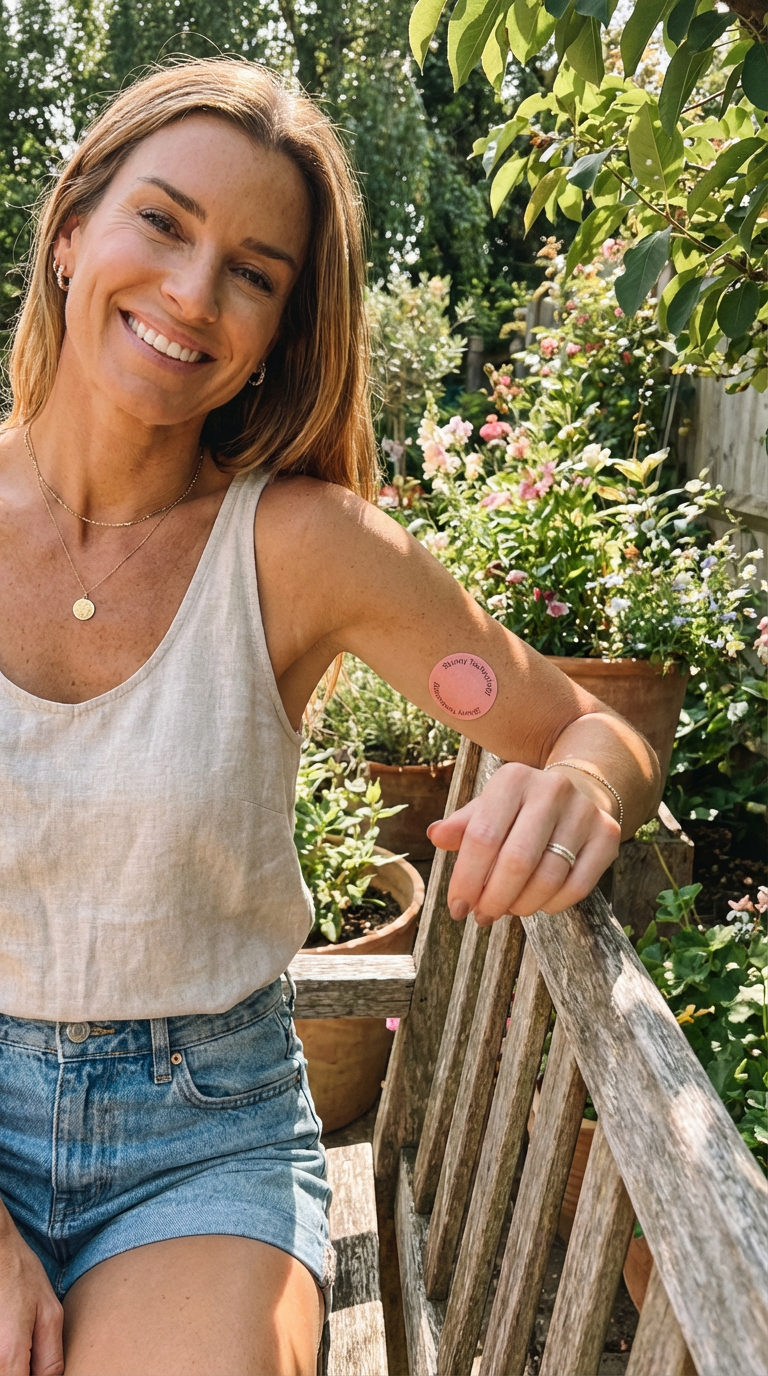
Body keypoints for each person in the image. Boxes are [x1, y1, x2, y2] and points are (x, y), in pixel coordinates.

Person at [0, 58, 660, 1376]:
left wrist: (580, 788)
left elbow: (597, 730)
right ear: (71, 230)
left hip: (203, 1141)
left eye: (253, 274)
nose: (194, 295)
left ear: (282, 329)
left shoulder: (306, 550)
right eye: (163, 223)